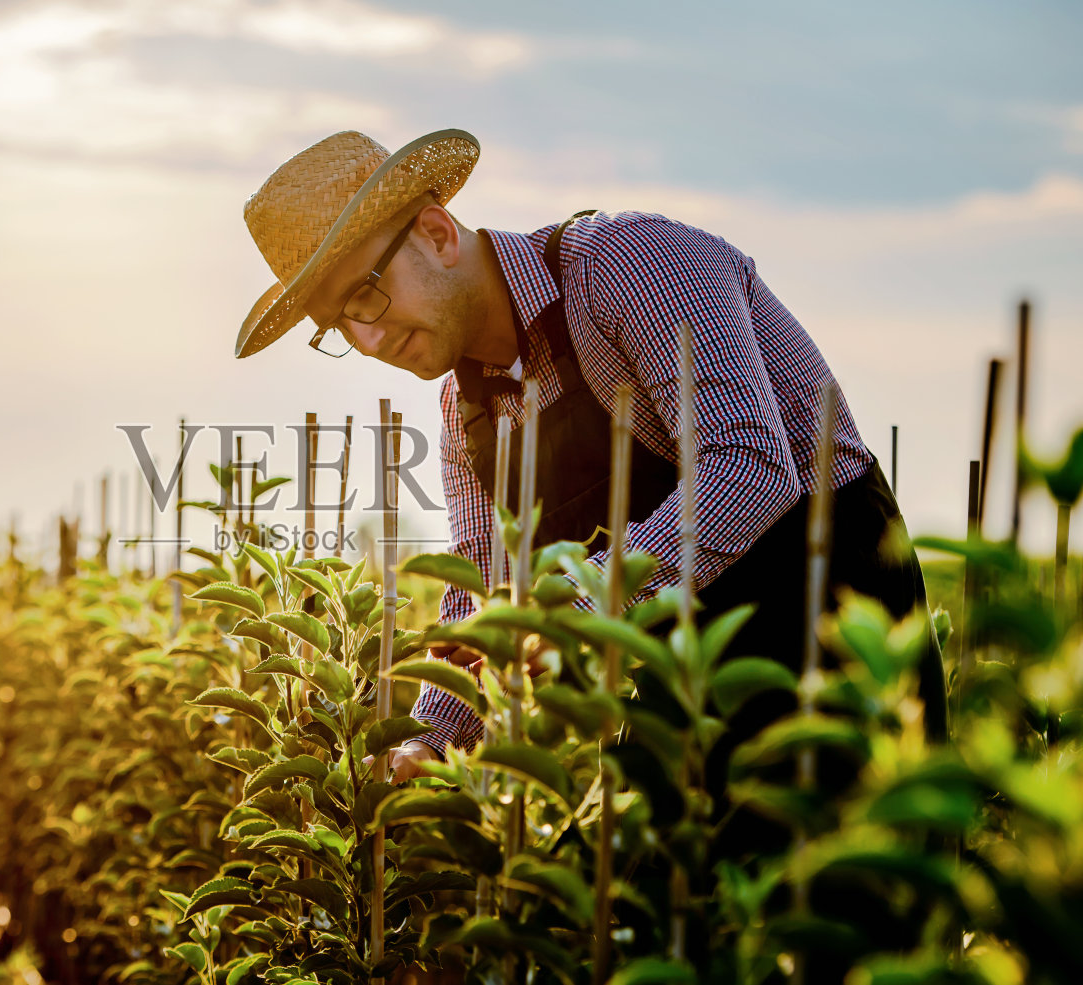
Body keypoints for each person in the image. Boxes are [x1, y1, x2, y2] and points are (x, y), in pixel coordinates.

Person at [233, 128, 947, 793]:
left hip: (831, 622)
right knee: (658, 911)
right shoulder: (465, 415)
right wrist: (434, 737)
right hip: (677, 673)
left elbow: (750, 466)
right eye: (339, 324)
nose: (370, 337)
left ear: (437, 233)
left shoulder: (629, 265)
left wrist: (568, 608)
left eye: (366, 293)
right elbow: (487, 588)